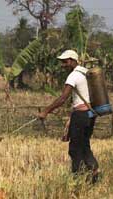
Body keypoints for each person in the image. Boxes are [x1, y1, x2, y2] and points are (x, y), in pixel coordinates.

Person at [37, 50, 99, 183]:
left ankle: (77, 179)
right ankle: (93, 173)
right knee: (84, 144)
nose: (63, 65)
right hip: (91, 114)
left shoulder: (74, 76)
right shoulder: (85, 72)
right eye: (62, 62)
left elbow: (62, 99)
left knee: (75, 148)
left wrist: (46, 111)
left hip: (81, 114)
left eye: (65, 62)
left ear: (72, 60)